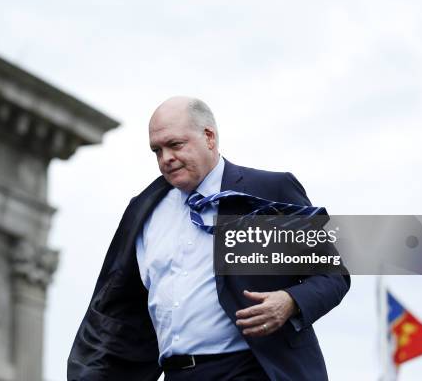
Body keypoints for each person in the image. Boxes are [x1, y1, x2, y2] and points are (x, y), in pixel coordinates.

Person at [68, 96, 350, 381]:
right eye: (157, 150)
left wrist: (290, 301)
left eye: (175, 145)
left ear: (209, 137)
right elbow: (119, 308)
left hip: (254, 370)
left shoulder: (268, 191)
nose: (166, 158)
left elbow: (333, 276)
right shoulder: (143, 211)